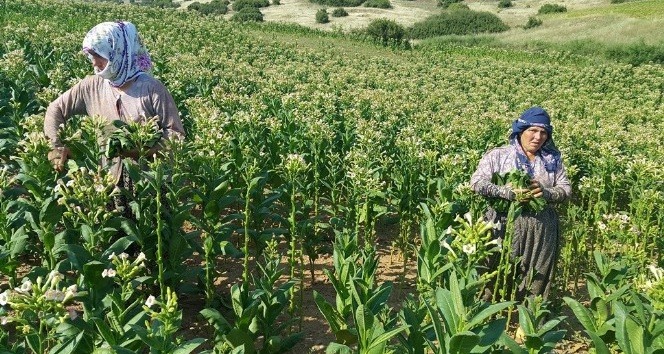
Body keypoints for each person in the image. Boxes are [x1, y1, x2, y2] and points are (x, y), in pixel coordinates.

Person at [43, 21, 185, 214]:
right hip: (108, 184)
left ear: (117, 51)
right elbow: (55, 109)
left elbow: (176, 135)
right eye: (91, 56)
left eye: (98, 56)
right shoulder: (91, 86)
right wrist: (55, 145)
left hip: (150, 185)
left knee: (151, 237)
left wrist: (140, 150)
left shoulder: (152, 89)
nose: (94, 63)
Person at [470, 106, 571, 300]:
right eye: (532, 131)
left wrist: (546, 192)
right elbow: (476, 183)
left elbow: (566, 190)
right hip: (502, 222)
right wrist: (504, 192)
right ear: (520, 131)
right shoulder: (498, 155)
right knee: (494, 271)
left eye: (543, 132)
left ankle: (529, 323)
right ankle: (486, 319)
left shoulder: (552, 159)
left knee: (537, 274)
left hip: (541, 226)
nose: (538, 137)